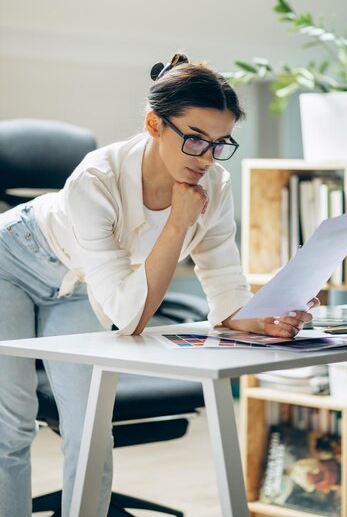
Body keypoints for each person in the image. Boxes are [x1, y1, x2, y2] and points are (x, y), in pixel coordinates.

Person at [0, 52, 315, 517]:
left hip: (79, 283)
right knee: (12, 425)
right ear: (154, 124)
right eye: (194, 139)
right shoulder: (96, 178)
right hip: (13, 262)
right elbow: (131, 317)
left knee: (91, 427)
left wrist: (261, 320)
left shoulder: (217, 186)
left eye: (220, 143)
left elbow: (224, 281)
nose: (207, 158)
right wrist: (177, 222)